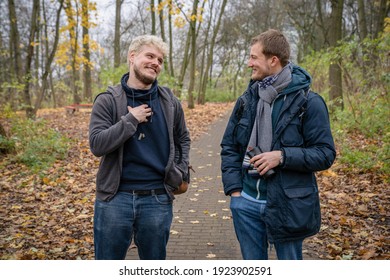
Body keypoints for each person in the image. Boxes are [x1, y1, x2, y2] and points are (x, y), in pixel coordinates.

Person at [220, 29, 336, 260]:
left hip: (288, 205)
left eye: (254, 57)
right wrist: (235, 193)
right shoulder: (248, 99)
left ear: (273, 60)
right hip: (247, 202)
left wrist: (282, 156)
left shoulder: (309, 102)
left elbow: (325, 154)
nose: (248, 63)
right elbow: (230, 146)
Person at [89, 35, 191, 260]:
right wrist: (130, 120)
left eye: (160, 60)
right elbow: (97, 144)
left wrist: (181, 172)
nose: (156, 62)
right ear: (132, 57)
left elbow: (183, 138)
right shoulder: (108, 100)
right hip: (115, 199)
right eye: (150, 56)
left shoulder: (170, 102)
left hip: (157, 199)